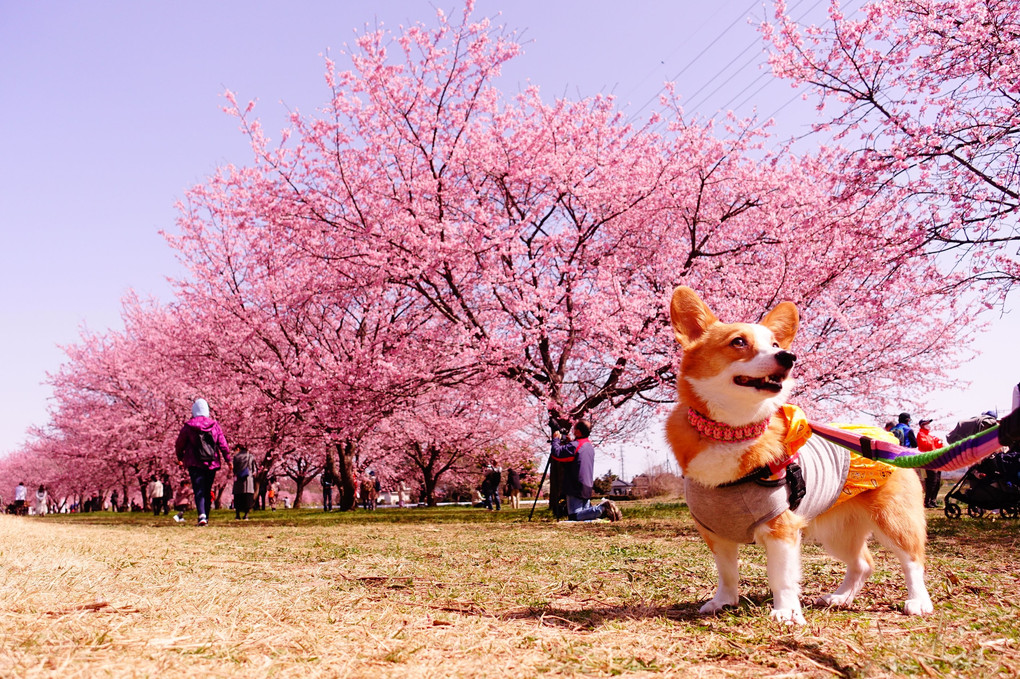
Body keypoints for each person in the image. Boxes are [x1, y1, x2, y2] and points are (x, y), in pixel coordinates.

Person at [550, 420, 622, 522]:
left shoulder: (575, 445)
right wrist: (570, 443)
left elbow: (556, 453)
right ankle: (603, 512)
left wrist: (556, 440)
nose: (573, 431)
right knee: (584, 516)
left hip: (575, 485)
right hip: (587, 485)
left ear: (578, 432)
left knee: (574, 516)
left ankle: (602, 508)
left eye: (574, 429)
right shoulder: (588, 446)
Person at [174, 398, 231, 526]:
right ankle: (206, 516)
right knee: (207, 489)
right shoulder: (214, 425)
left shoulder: (188, 426)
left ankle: (202, 515)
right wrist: (228, 459)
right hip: (211, 462)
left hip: (194, 462)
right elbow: (222, 444)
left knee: (198, 489)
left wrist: (179, 457)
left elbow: (179, 443)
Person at [916, 418, 944, 508]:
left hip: (936, 460)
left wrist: (939, 442)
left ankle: (933, 500)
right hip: (928, 460)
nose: (929, 425)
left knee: (937, 481)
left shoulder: (930, 436)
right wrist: (934, 442)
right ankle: (927, 501)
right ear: (922, 425)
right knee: (931, 481)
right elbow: (926, 446)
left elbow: (938, 446)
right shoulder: (921, 434)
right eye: (926, 424)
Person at [232, 444, 256, 520]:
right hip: (248, 478)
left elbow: (234, 469)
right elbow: (254, 469)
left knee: (238, 496)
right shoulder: (250, 456)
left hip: (238, 479)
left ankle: (237, 515)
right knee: (247, 496)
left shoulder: (236, 457)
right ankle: (246, 515)